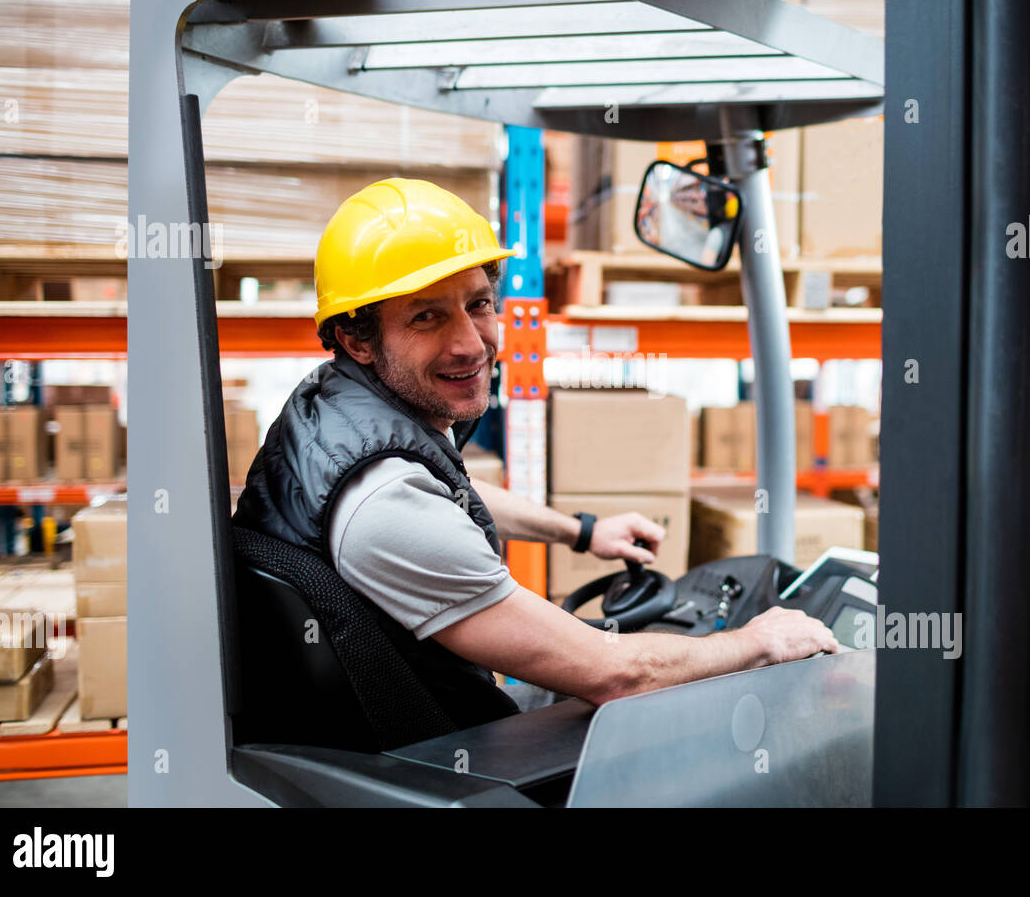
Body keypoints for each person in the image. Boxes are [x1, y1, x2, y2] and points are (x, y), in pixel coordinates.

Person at [232, 178, 838, 729]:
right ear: (356, 339)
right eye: (427, 317)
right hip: (451, 766)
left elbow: (442, 495)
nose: (472, 344)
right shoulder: (383, 507)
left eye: (477, 304)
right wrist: (758, 642)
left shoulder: (340, 411)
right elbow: (613, 675)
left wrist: (582, 532)